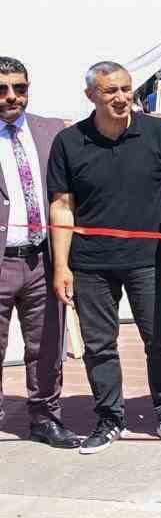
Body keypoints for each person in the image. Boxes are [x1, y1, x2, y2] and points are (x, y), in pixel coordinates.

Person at [47, 61, 161, 453]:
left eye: (126, 89)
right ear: (91, 95)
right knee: (99, 345)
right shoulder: (69, 142)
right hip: (90, 263)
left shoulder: (157, 133)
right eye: (110, 91)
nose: (121, 98)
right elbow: (61, 205)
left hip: (150, 259)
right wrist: (61, 266)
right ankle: (110, 418)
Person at [0, 57, 76, 448]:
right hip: (3, 259)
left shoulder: (50, 130)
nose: (12, 96)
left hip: (43, 259)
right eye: (3, 89)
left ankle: (45, 417)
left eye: (20, 88)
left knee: (47, 343)